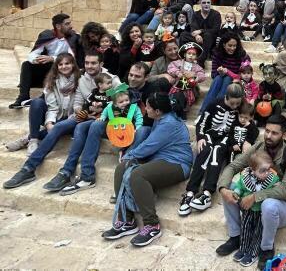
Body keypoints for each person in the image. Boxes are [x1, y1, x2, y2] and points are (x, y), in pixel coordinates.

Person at [58, 62, 169, 195]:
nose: (132, 78)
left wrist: (131, 126)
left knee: (143, 130)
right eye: (131, 75)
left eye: (137, 76)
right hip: (116, 125)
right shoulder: (122, 87)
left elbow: (152, 117)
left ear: (146, 78)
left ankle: (126, 167)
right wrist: (97, 107)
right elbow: (106, 100)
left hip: (137, 128)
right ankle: (85, 175)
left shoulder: (152, 91)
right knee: (90, 125)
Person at [100, 92, 192, 247]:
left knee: (138, 175)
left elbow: (150, 145)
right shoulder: (160, 118)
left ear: (157, 111)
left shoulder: (168, 123)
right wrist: (128, 158)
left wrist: (131, 154)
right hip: (159, 158)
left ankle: (152, 225)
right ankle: (126, 221)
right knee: (122, 167)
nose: (145, 109)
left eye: (148, 107)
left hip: (177, 163)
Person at [216, 114, 286, 269]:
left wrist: (256, 197)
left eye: (274, 133)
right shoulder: (258, 147)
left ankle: (266, 248)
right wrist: (222, 188)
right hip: (256, 203)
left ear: (284, 134)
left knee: (268, 205)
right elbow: (233, 166)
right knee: (231, 189)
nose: (268, 136)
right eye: (267, 131)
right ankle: (236, 236)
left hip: (282, 207)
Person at [3, 53, 80, 189]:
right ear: (56, 67)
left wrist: (61, 123)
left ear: (73, 64)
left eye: (67, 63)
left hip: (73, 118)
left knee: (60, 127)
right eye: (61, 64)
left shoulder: (81, 81)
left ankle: (28, 164)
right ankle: (33, 139)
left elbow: (79, 107)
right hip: (57, 116)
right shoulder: (52, 81)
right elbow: (52, 107)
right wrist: (49, 123)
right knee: (37, 102)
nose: (64, 66)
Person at [179, 83, 244, 216]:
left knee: (217, 152)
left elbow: (241, 125)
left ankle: (207, 193)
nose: (235, 106)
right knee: (205, 150)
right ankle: (190, 192)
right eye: (232, 103)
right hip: (209, 133)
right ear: (226, 97)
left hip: (225, 138)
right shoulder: (214, 104)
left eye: (238, 103)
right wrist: (201, 136)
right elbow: (202, 122)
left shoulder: (240, 107)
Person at [9, 13, 80, 109]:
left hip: (61, 71)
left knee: (54, 65)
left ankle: (43, 97)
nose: (71, 26)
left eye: (69, 23)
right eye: (67, 24)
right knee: (26, 64)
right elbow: (32, 54)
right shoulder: (46, 35)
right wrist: (37, 60)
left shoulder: (73, 37)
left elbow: (71, 58)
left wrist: (53, 58)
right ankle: (23, 97)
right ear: (58, 26)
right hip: (44, 73)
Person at [229, 150, 281, 267]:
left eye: (268, 169)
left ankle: (253, 253)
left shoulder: (272, 179)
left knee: (258, 233)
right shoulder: (245, 178)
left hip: (261, 212)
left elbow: (277, 188)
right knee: (246, 229)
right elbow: (239, 187)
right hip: (248, 211)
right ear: (252, 170)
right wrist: (236, 193)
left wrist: (278, 186)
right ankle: (243, 249)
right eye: (262, 171)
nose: (267, 173)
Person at [200, 31, 250, 112]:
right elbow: (213, 74)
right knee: (218, 78)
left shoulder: (241, 54)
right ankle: (203, 112)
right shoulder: (217, 53)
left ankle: (214, 111)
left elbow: (246, 73)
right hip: (220, 80)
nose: (233, 48)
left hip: (236, 82)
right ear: (224, 45)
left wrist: (231, 74)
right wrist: (220, 72)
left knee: (227, 78)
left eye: (235, 46)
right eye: (230, 45)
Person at [167, 42, 206, 110]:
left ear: (196, 56)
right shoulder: (178, 62)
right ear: (185, 54)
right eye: (189, 53)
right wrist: (177, 73)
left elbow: (202, 75)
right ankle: (174, 105)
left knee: (184, 97)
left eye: (193, 54)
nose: (191, 56)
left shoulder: (197, 67)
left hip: (190, 88)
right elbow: (171, 67)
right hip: (177, 86)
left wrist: (196, 77)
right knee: (175, 96)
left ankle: (183, 109)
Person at [189, 0, 222, 65]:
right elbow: (193, 27)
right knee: (183, 35)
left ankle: (201, 60)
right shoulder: (196, 14)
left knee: (207, 35)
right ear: (200, 3)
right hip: (198, 38)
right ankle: (184, 56)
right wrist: (197, 36)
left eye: (208, 2)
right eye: (204, 3)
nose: (206, 4)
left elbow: (216, 29)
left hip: (211, 38)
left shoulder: (216, 14)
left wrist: (201, 31)